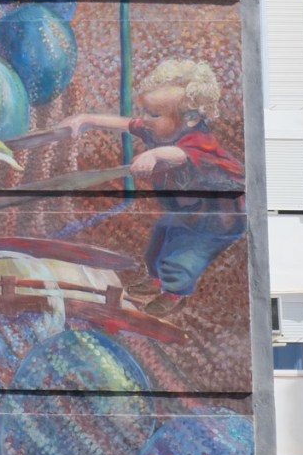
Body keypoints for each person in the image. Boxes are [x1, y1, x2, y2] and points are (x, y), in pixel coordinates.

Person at [61, 59, 245, 316]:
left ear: (190, 118)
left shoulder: (199, 142)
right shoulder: (158, 129)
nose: (145, 119)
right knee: (159, 240)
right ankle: (155, 280)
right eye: (145, 111)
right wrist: (86, 119)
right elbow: (126, 124)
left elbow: (181, 154)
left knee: (182, 260)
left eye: (154, 114)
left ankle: (173, 294)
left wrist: (156, 156)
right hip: (187, 211)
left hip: (218, 219)